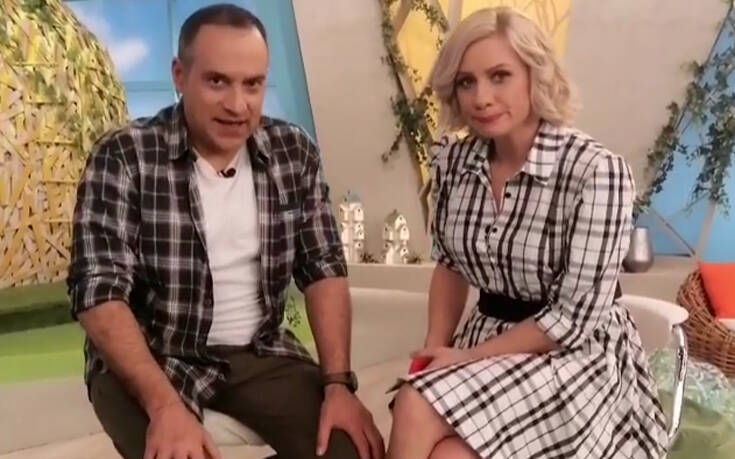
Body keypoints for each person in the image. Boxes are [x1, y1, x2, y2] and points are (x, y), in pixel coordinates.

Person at [67, 4, 383, 459]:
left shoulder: (293, 151)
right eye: (217, 82)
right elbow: (98, 292)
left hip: (260, 353)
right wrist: (164, 406)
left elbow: (323, 269)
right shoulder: (124, 155)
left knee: (350, 449)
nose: (238, 105)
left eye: (252, 84)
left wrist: (338, 385)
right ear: (180, 76)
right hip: (154, 354)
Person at [386, 7, 668, 459]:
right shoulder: (454, 162)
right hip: (485, 341)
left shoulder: (596, 172)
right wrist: (435, 349)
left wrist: (467, 360)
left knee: (415, 405)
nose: (481, 98)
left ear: (536, 76)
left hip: (574, 359)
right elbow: (451, 266)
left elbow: (573, 320)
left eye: (500, 76)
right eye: (466, 82)